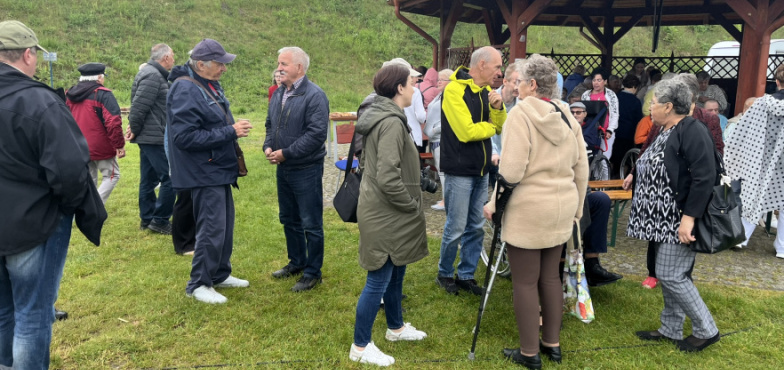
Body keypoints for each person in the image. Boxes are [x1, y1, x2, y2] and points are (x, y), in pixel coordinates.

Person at [0, 20, 106, 369]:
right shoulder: (38, 101)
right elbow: (69, 170)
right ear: (29, 55)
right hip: (34, 224)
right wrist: (68, 206)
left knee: (4, 312)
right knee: (31, 315)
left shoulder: (35, 101)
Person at [484, 54, 588, 369]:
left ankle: (529, 352)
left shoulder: (520, 115)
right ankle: (551, 344)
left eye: (519, 82)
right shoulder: (568, 116)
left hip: (529, 209)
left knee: (525, 282)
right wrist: (578, 209)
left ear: (532, 84)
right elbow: (581, 168)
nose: (514, 88)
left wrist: (492, 203)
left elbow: (512, 172)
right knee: (550, 278)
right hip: (561, 207)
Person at [624, 78, 721, 352]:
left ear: (668, 106)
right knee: (670, 274)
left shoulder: (692, 130)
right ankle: (671, 328)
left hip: (677, 219)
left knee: (672, 275)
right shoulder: (666, 129)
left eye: (653, 103)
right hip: (660, 221)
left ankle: (707, 329)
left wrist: (688, 218)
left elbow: (704, 177)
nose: (650, 108)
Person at [348, 64, 429, 367]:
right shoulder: (392, 122)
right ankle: (360, 346)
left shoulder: (386, 116)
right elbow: (388, 177)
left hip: (384, 208)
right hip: (387, 210)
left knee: (397, 268)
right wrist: (411, 203)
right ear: (399, 88)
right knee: (378, 278)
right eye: (412, 83)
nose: (415, 88)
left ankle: (395, 327)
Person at [167, 39, 252, 304]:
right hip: (203, 172)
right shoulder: (185, 89)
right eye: (220, 63)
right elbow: (184, 138)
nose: (224, 68)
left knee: (224, 226)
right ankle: (199, 284)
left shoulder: (206, 83)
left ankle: (219, 274)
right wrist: (231, 131)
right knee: (211, 228)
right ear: (201, 64)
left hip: (216, 169)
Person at [436, 46, 506, 296]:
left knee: (475, 225)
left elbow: (499, 127)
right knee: (456, 226)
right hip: (459, 170)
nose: (500, 72)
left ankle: (466, 274)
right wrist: (489, 126)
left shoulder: (487, 91)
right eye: (497, 66)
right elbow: (466, 133)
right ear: (482, 64)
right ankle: (444, 273)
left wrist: (498, 108)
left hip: (481, 170)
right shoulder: (454, 90)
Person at [264, 46, 330, 292]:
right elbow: (270, 124)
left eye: (284, 64)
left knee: (310, 222)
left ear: (299, 68)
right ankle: (297, 262)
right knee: (288, 218)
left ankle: (313, 272)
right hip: (284, 168)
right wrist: (268, 145)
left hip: (306, 168)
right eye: (279, 63)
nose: (279, 68)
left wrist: (286, 153)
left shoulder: (315, 96)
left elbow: (316, 135)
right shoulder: (279, 93)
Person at [725, 64, 784, 259]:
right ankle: (782, 247)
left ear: (776, 82)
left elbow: (743, 132)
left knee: (753, 195)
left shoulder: (760, 104)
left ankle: (741, 238)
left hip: (760, 159)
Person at [570, 102, 623, 286]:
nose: (575, 115)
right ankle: (566, 263)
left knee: (600, 199)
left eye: (579, 112)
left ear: (585, 114)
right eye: (572, 112)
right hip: (560, 193)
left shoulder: (586, 133)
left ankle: (592, 261)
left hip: (581, 190)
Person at [128, 43, 177, 235]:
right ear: (165, 58)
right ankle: (160, 220)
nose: (174, 59)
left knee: (148, 179)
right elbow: (139, 107)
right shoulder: (152, 76)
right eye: (172, 55)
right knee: (171, 178)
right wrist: (135, 129)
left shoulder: (154, 74)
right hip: (154, 136)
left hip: (151, 135)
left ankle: (147, 218)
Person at [66, 62, 126, 204]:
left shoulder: (69, 94)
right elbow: (114, 122)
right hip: (100, 145)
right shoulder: (103, 94)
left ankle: (87, 208)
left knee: (90, 178)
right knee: (112, 176)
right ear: (99, 78)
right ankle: (96, 207)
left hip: (78, 144)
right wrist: (119, 145)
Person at [490, 60, 525, 190]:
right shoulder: (491, 99)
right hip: (493, 157)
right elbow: (489, 130)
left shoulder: (522, 104)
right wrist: (493, 153)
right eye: (516, 82)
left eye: (521, 83)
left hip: (513, 161)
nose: (518, 87)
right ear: (505, 81)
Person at [423, 68, 453, 211]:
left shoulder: (449, 97)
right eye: (438, 79)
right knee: (442, 170)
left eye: (442, 79)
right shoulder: (441, 95)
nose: (439, 81)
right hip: (435, 139)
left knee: (443, 171)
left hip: (441, 138)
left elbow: (449, 120)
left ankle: (446, 201)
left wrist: (434, 130)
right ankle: (446, 199)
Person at [582, 68, 619, 159]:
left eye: (599, 80)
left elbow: (614, 113)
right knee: (588, 158)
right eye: (594, 80)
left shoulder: (611, 95)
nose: (596, 83)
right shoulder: (586, 95)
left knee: (604, 159)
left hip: (605, 132)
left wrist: (610, 130)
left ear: (605, 81)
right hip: (589, 132)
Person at [612, 75, 643, 173]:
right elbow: (638, 120)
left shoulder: (616, 97)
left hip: (614, 132)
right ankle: (621, 180)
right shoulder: (635, 101)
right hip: (628, 134)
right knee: (625, 161)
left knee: (613, 158)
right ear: (634, 87)